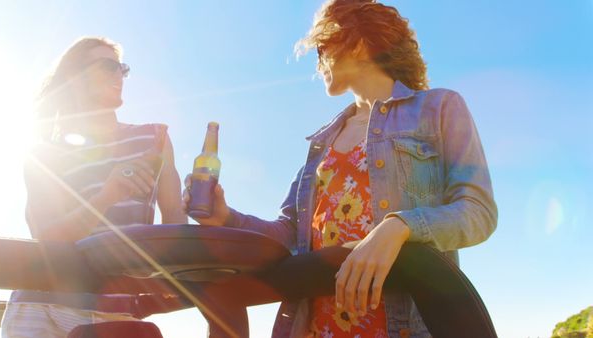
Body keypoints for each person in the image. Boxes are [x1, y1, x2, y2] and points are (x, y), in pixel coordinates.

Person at [184, 0, 498, 337]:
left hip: (403, 326)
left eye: (321, 49)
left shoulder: (440, 107)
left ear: (357, 43)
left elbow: (478, 212)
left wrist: (399, 227)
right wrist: (226, 218)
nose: (318, 65)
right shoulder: (322, 141)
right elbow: (289, 235)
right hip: (318, 327)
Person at [1, 36, 186, 338]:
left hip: (117, 306)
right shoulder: (42, 152)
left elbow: (176, 222)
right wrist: (107, 195)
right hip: (42, 305)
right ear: (75, 77)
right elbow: (46, 237)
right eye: (108, 66)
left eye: (122, 69)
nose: (119, 75)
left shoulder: (155, 140)